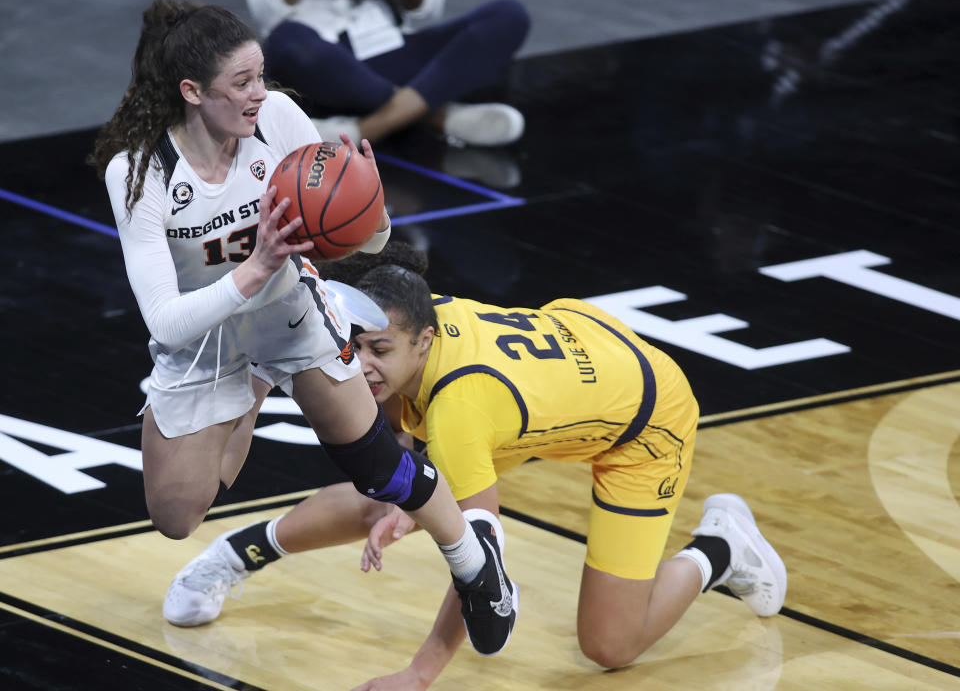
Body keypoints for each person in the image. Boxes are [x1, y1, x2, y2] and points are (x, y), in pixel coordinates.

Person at [87, 0, 517, 657]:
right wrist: (251, 270)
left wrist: (370, 209)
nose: (262, 93)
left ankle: (475, 565)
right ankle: (253, 384)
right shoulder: (140, 170)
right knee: (177, 517)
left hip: (288, 307)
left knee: (377, 462)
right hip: (202, 334)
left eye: (261, 75)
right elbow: (166, 322)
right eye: (243, 83)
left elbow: (366, 242)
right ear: (192, 92)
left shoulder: (279, 117)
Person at [163, 243, 787, 688]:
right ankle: (232, 557)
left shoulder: (458, 412)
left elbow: (481, 568)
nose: (363, 367)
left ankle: (723, 550)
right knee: (390, 490)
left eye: (379, 352)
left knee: (609, 645)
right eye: (354, 348)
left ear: (423, 342)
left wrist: (421, 673)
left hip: (643, 420)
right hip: (563, 361)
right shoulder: (407, 309)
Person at [244, 0, 530, 147]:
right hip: (322, 57)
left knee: (508, 15)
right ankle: (441, 117)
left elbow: (427, 7)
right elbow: (268, 12)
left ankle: (362, 130)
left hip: (390, 47)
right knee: (285, 40)